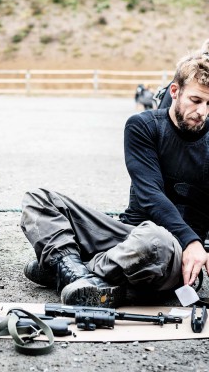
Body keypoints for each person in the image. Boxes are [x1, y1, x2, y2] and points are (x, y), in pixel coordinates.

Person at [20, 40, 209, 307]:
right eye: (196, 100)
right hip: (126, 235)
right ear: (175, 91)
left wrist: (191, 243)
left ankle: (66, 266)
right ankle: (77, 273)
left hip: (173, 252)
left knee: (156, 239)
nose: (202, 111)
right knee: (39, 199)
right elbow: (149, 194)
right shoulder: (143, 126)